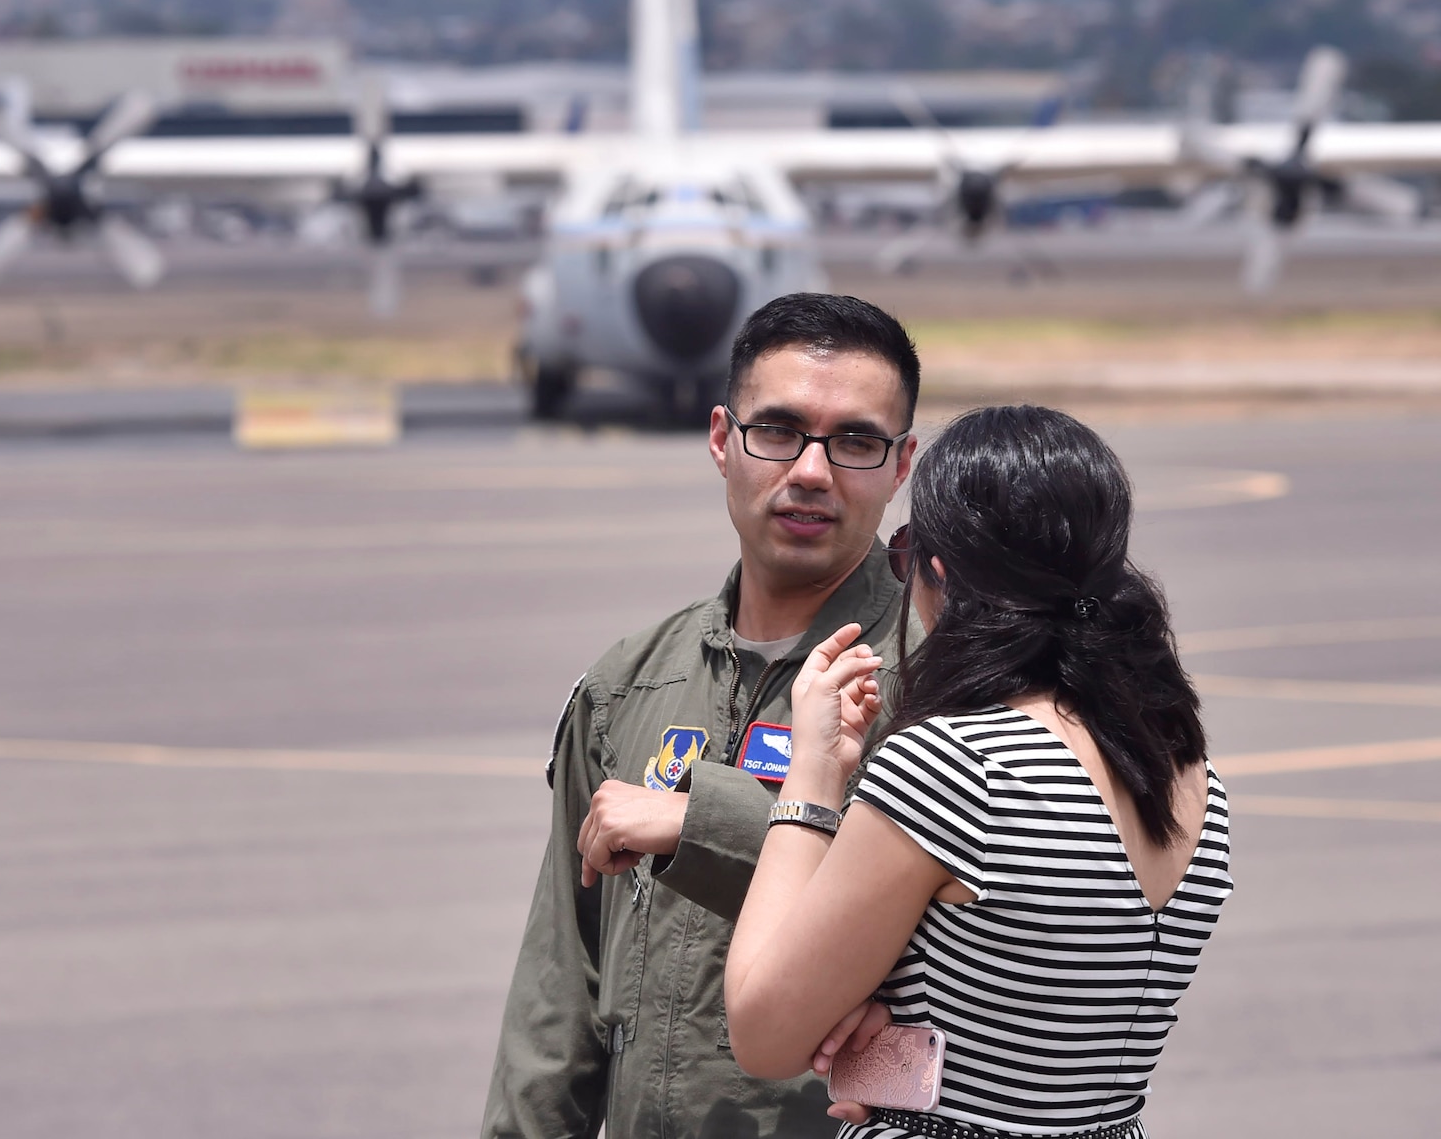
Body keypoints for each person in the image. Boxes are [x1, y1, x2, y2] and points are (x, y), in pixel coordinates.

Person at [483, 293, 924, 1139]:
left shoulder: (944, 691)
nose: (811, 471)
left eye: (856, 441)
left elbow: (932, 916)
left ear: (901, 465)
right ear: (723, 439)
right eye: (779, 430)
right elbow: (557, 993)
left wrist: (700, 820)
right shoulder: (629, 684)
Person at [725, 404, 1233, 1139]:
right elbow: (1030, 1027)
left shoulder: (958, 767)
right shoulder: (1195, 780)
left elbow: (761, 1030)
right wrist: (889, 1049)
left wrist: (813, 772)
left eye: (905, 553)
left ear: (939, 569)